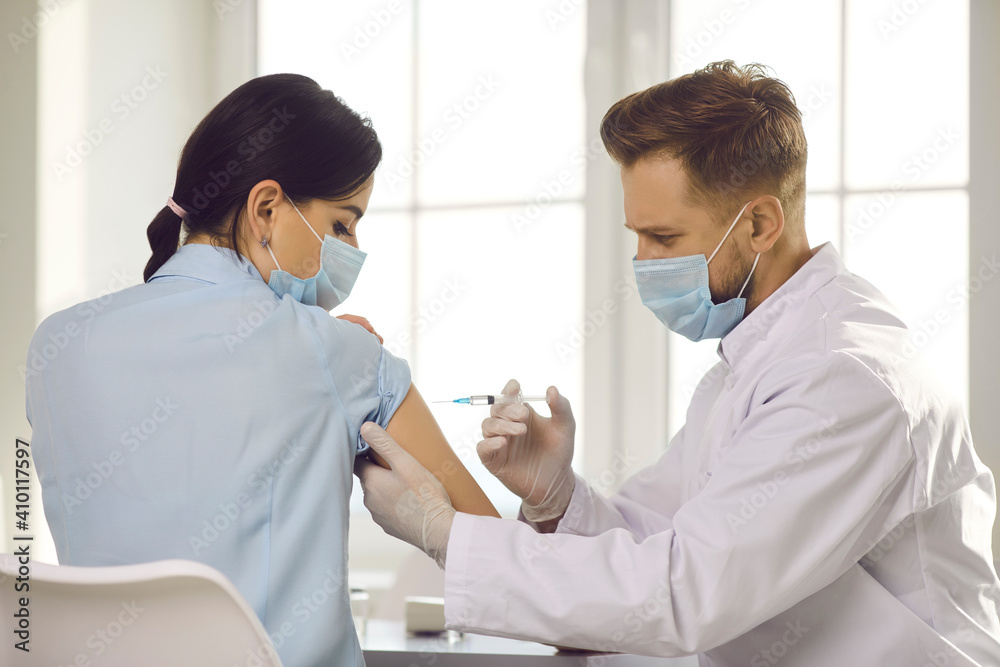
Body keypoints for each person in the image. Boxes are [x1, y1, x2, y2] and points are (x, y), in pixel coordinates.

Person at [354, 61, 1000, 665]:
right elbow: (657, 540)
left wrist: (446, 534)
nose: (643, 262)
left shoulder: (842, 380)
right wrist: (558, 498)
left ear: (760, 224)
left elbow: (683, 591)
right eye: (638, 235)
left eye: (664, 238)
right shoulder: (755, 362)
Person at [25, 73, 497, 667]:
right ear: (267, 208)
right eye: (342, 224)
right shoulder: (340, 353)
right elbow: (499, 555)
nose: (351, 249)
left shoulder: (57, 345)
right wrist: (545, 497)